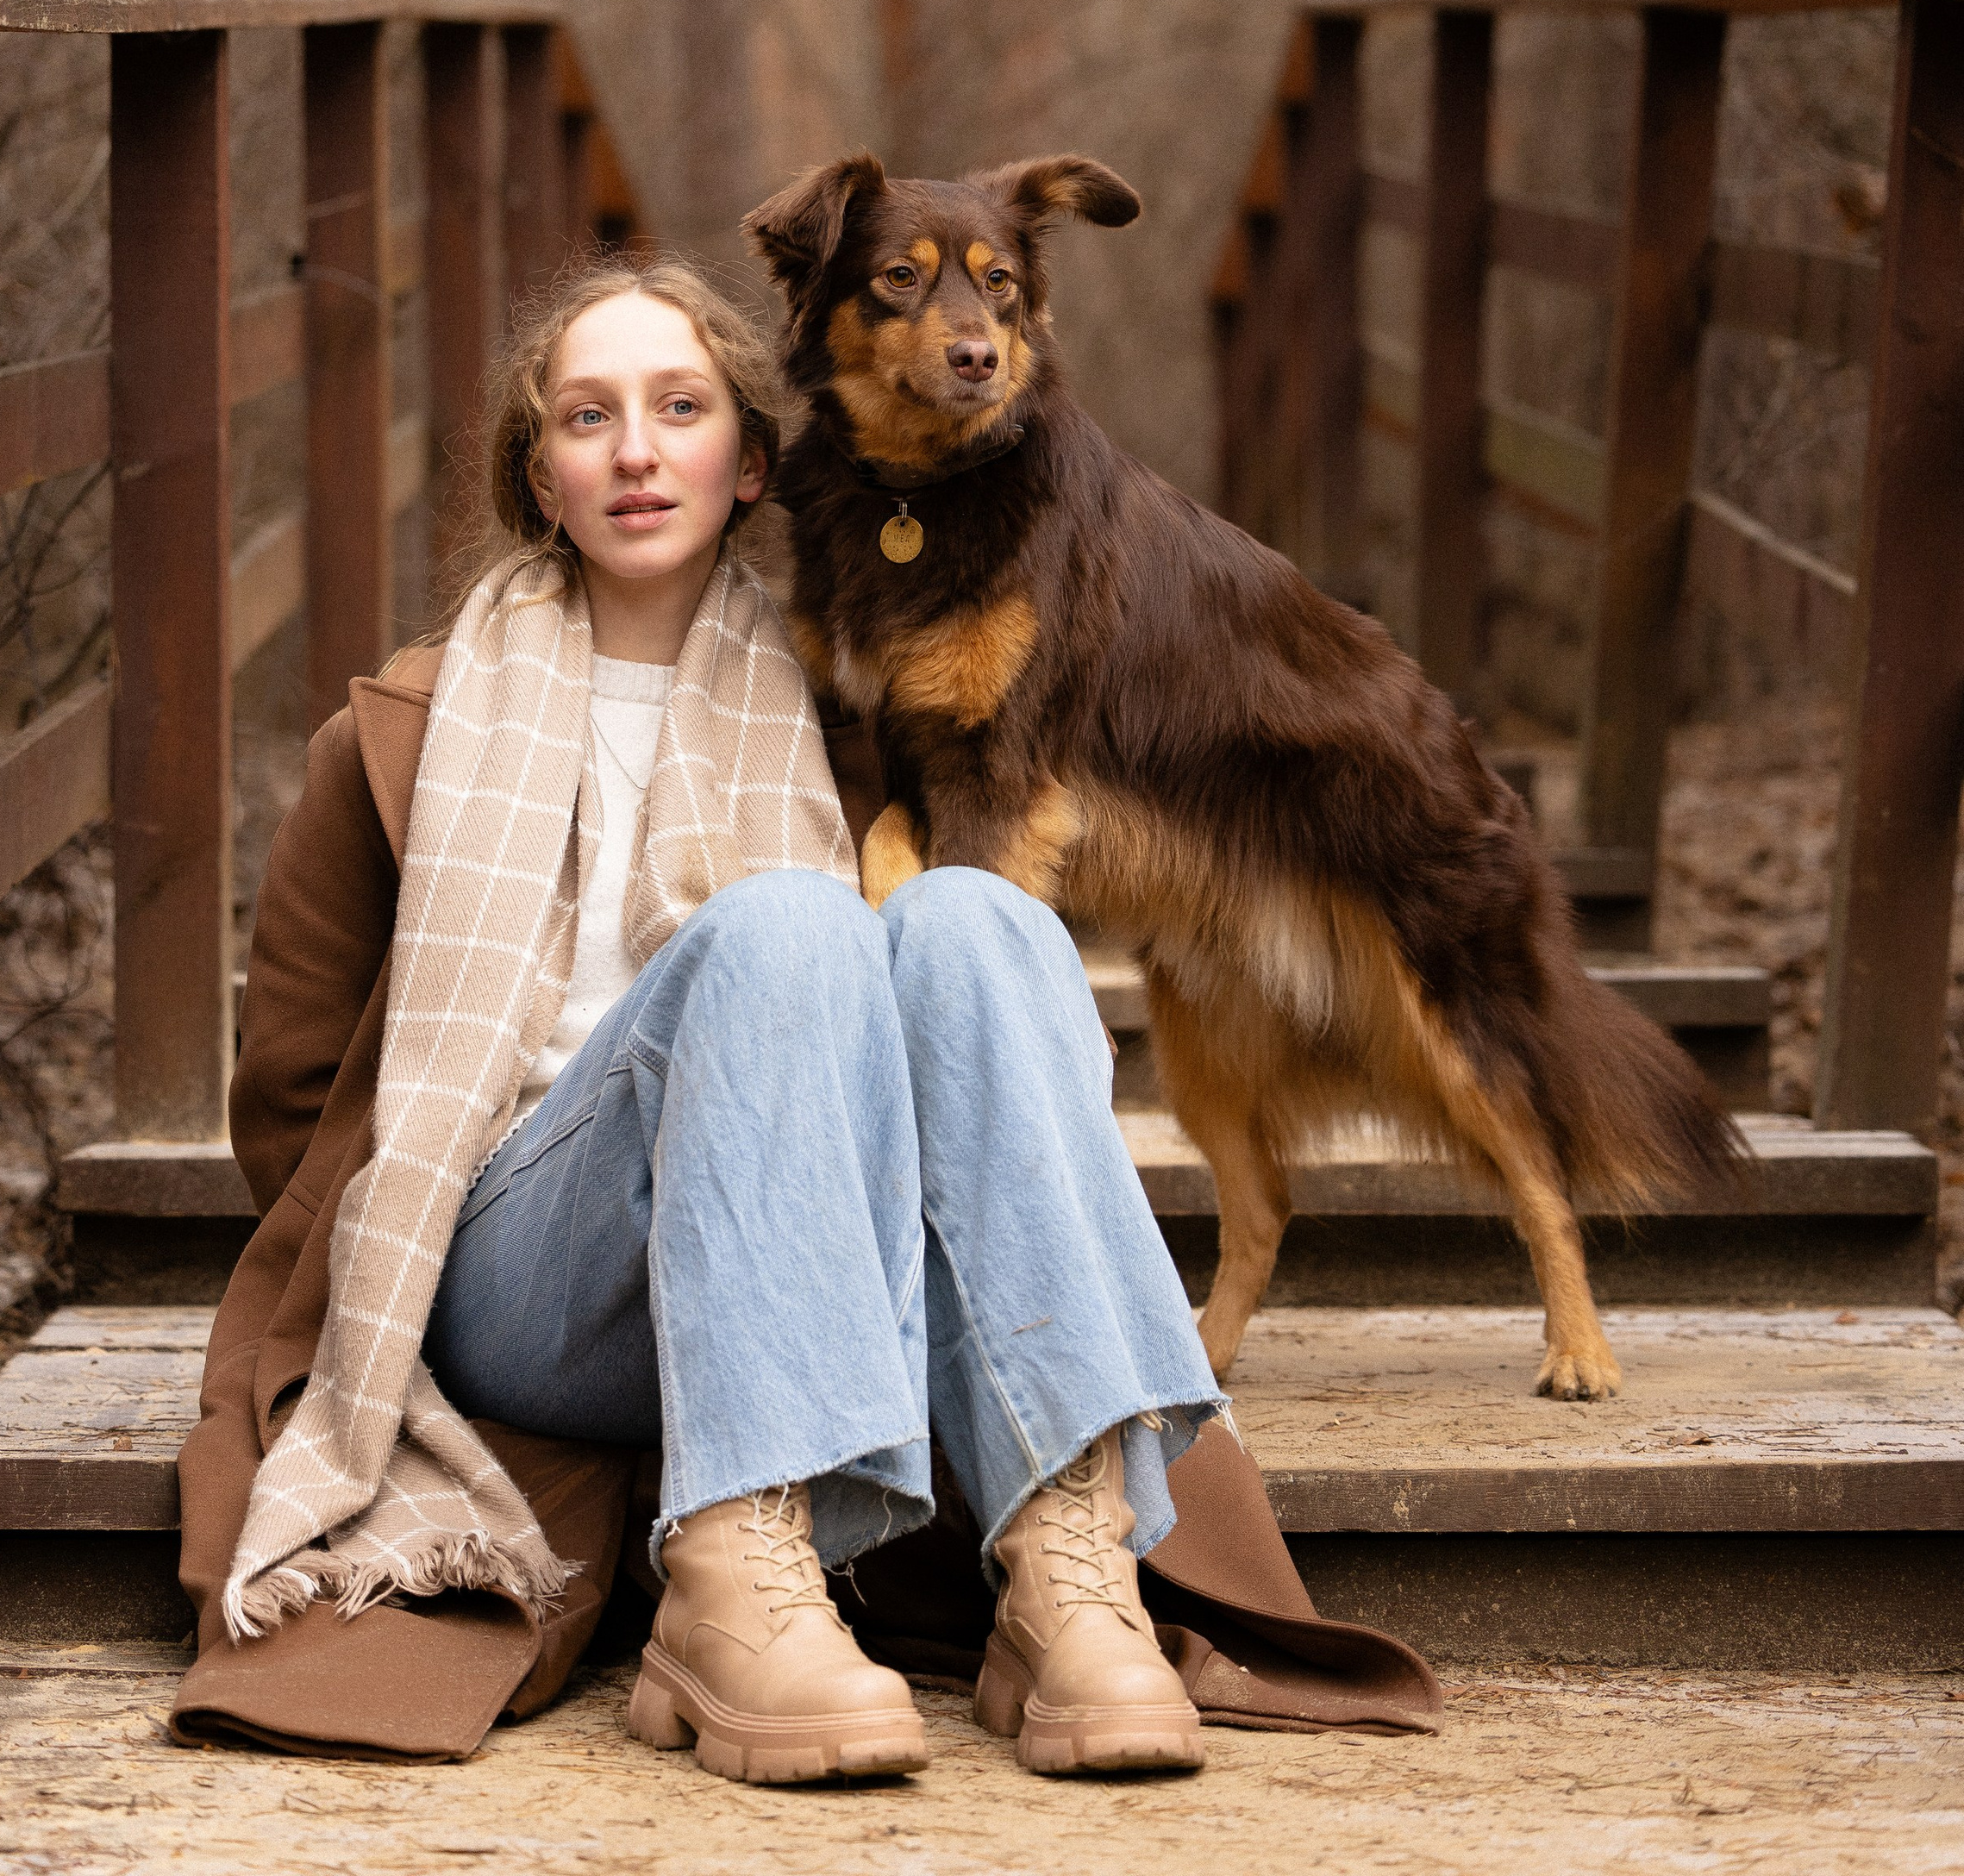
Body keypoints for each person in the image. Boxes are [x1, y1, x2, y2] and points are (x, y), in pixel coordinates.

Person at [170, 258, 1440, 1783]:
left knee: (973, 913)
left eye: (680, 406)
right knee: (781, 925)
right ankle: (724, 1575)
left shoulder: (856, 727)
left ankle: (1062, 1562)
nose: (636, 449)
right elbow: (295, 1103)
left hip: (819, 1271)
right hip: (528, 1268)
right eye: (589, 416)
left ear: (750, 458)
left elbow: (955, 1040)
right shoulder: (398, 732)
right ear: (540, 474)